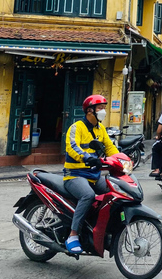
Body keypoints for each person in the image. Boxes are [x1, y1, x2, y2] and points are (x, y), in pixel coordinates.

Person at [63, 94, 118, 254]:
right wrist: (88, 158)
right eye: (100, 108)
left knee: (113, 191)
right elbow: (72, 147)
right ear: (89, 111)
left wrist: (121, 159)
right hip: (74, 175)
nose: (103, 112)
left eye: (104, 108)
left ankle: (100, 228)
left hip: (93, 175)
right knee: (88, 195)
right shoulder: (77, 127)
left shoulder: (100, 129)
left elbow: (109, 147)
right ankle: (73, 235)